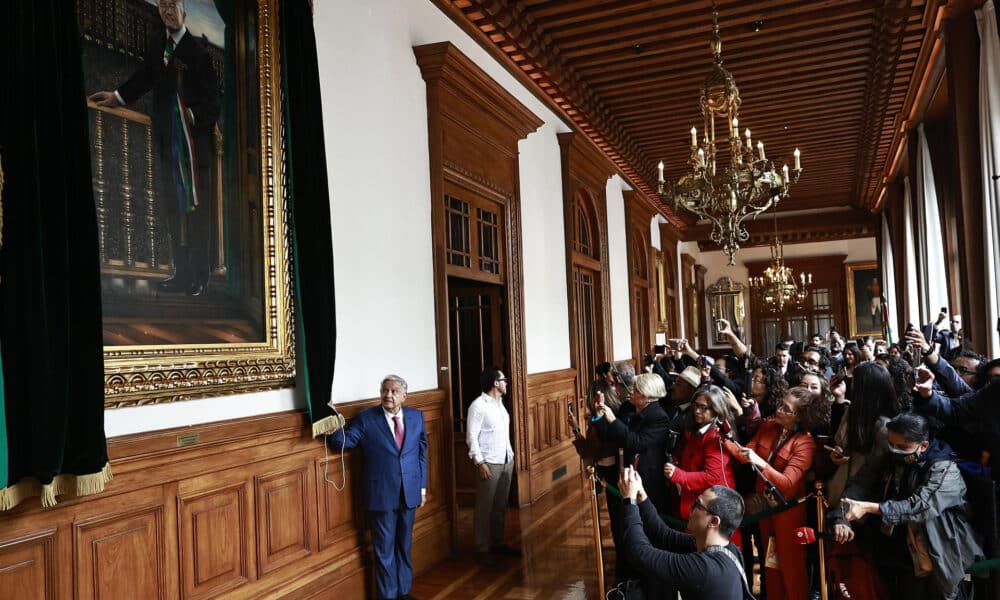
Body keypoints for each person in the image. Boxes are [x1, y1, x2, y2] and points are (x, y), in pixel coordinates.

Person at [89, 0, 220, 296]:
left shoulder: (199, 53)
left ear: (183, 11)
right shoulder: (158, 44)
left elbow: (214, 102)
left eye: (172, 5)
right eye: (162, 5)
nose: (167, 11)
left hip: (194, 148)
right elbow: (146, 77)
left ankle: (199, 277)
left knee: (197, 211)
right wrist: (118, 96)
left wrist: (192, 115)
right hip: (168, 143)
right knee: (173, 209)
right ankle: (181, 273)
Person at [831, 413, 983, 599]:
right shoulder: (889, 456)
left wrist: (871, 508)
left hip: (936, 552)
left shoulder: (944, 469)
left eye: (902, 447)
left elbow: (919, 507)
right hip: (895, 553)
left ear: (924, 445)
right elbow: (860, 484)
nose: (895, 451)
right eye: (891, 444)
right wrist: (842, 518)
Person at [327, 375, 427, 600]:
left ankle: (403, 592)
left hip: (410, 494)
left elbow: (422, 454)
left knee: (404, 546)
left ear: (404, 395)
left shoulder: (416, 417)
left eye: (393, 391)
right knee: (384, 552)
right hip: (381, 496)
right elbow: (342, 442)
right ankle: (388, 596)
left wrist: (422, 488)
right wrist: (332, 420)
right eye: (384, 390)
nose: (388, 395)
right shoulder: (366, 419)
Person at [725, 386, 828, 600]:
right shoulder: (769, 425)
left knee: (791, 567)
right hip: (766, 507)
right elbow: (747, 453)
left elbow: (787, 482)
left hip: (788, 512)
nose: (778, 409)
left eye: (786, 408)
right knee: (771, 563)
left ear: (799, 416)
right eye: (781, 404)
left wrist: (760, 462)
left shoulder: (805, 443)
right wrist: (723, 439)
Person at [618, 471, 753, 600]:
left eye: (697, 504)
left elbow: (640, 553)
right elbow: (665, 536)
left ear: (714, 521)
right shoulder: (727, 549)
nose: (690, 508)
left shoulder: (704, 569)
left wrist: (629, 501)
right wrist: (642, 497)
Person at [664, 385, 739, 529]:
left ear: (716, 409)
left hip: (714, 508)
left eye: (704, 407)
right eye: (696, 406)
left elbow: (713, 476)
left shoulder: (717, 436)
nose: (697, 411)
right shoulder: (698, 428)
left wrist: (679, 475)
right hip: (698, 504)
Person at [467, 367, 519, 565]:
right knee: (484, 508)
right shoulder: (478, 406)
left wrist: (510, 457)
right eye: (504, 380)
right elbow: (471, 437)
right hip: (489, 462)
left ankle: (498, 542)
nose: (506, 383)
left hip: (506, 460)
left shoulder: (500, 404)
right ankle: (482, 548)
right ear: (495, 383)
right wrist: (479, 462)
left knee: (500, 506)